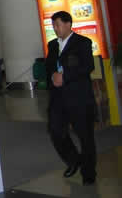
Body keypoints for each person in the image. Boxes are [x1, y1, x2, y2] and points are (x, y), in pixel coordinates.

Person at [45, 10, 97, 185]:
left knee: (85, 136)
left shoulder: (82, 42)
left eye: (58, 24)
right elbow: (49, 66)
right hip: (58, 98)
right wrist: (53, 75)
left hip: (78, 98)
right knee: (55, 131)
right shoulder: (53, 45)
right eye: (53, 25)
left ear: (68, 24)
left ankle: (89, 173)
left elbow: (88, 66)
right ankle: (74, 160)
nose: (55, 28)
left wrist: (65, 76)